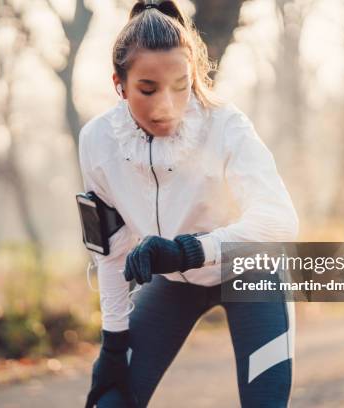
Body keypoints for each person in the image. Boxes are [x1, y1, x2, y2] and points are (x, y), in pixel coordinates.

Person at [79, 1, 299, 406]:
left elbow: (281, 220)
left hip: (251, 272)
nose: (166, 104)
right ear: (119, 84)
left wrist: (188, 249)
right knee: (109, 402)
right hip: (174, 285)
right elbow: (109, 252)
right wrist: (113, 341)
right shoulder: (97, 142)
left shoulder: (226, 126)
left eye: (181, 85)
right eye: (148, 89)